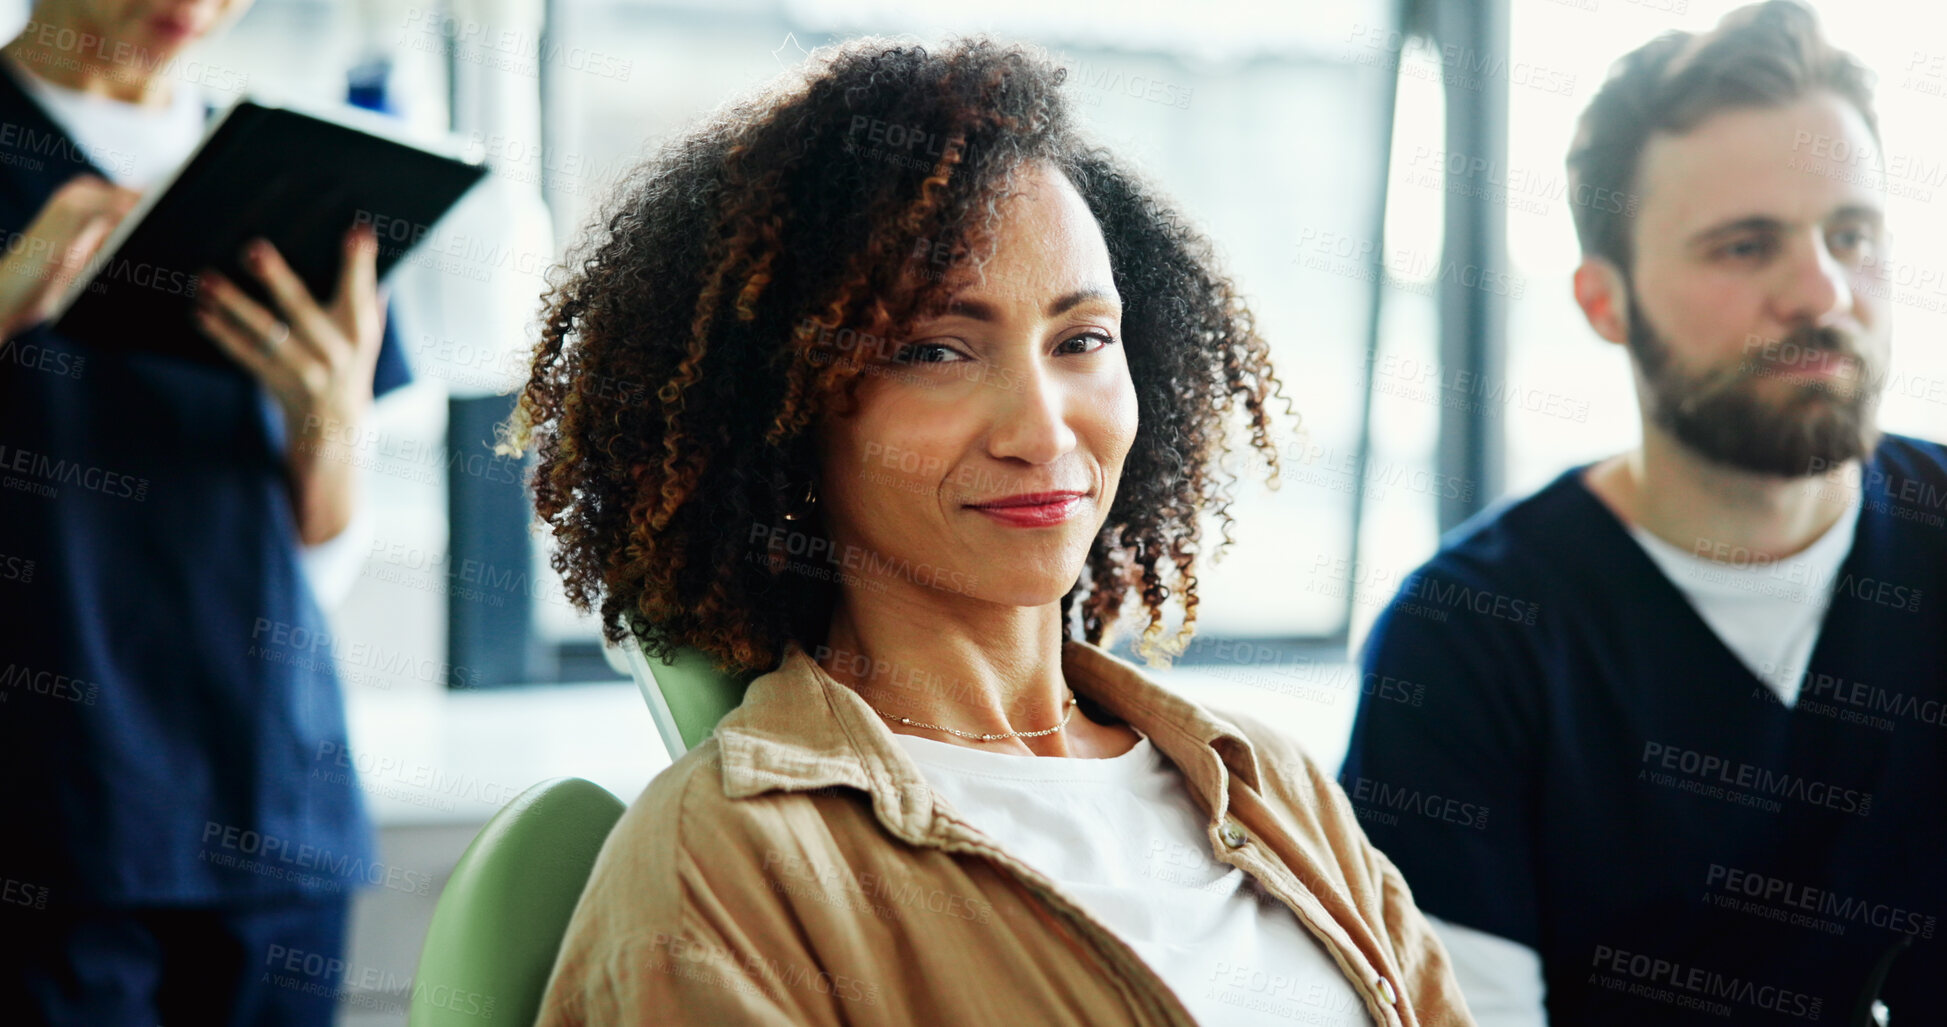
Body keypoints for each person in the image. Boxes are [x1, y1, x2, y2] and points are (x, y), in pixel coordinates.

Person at [507, 36, 1473, 1027]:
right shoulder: (727, 866)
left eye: (1082, 340)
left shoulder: (1267, 784)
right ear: (783, 416)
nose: (1042, 429)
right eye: (935, 349)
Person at [1340, 3, 1945, 1025]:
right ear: (1603, 301)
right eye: (1745, 246)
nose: (1820, 290)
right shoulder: (1468, 645)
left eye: (1852, 232)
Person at [0, 1, 413, 1023]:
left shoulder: (287, 181)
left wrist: (330, 430)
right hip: (48, 833)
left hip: (275, 817)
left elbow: (316, 556)